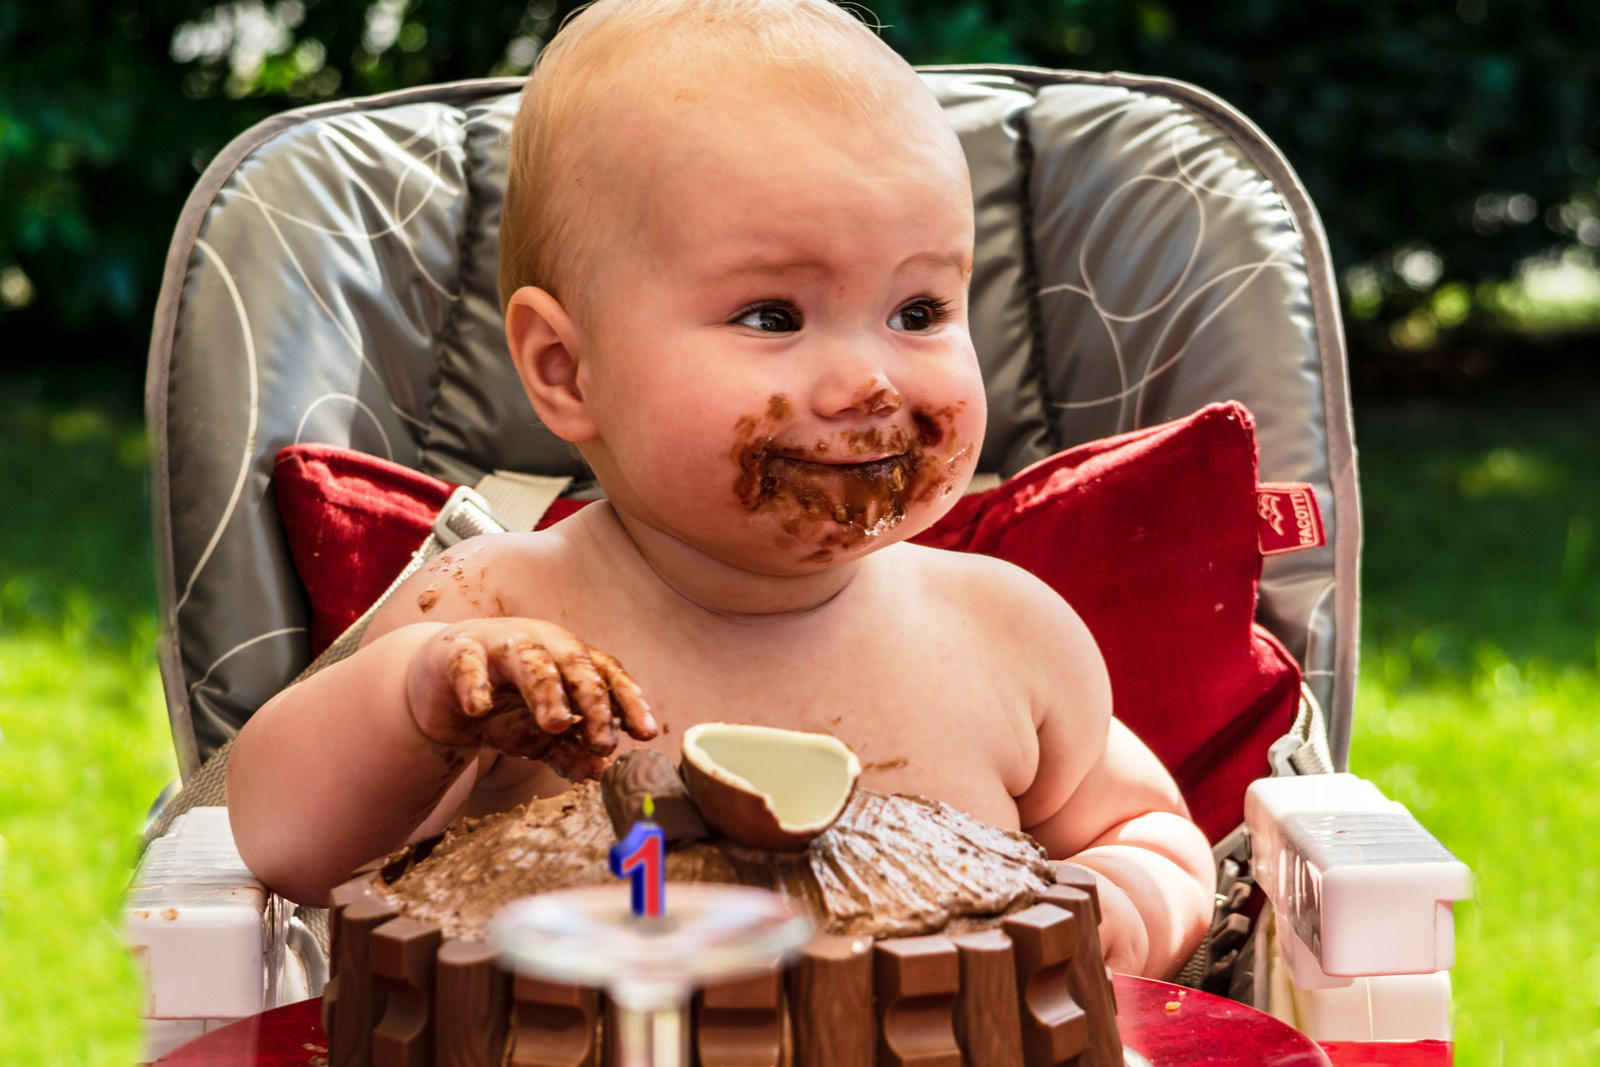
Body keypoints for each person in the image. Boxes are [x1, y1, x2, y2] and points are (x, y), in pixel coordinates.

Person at [227, 0, 1215, 979]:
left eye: (917, 309)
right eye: (772, 313)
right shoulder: (497, 620)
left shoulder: (1005, 635)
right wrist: (422, 705)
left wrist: (1120, 908)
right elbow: (285, 842)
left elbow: (1146, 829)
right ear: (567, 369)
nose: (868, 381)